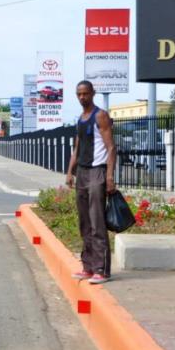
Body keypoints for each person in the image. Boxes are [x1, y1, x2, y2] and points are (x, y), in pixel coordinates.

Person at [65, 80, 116, 284]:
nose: (82, 97)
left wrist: (110, 176)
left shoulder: (100, 115)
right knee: (84, 222)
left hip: (97, 172)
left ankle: (102, 270)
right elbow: (77, 148)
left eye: (86, 93)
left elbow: (111, 147)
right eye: (79, 94)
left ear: (93, 93)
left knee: (97, 221)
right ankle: (88, 267)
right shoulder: (80, 118)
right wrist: (70, 172)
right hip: (83, 173)